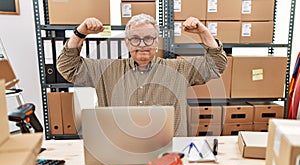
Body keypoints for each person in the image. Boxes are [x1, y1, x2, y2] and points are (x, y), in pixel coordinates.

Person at [57, 13, 227, 137]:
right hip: (120, 152)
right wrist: (80, 33)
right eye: (135, 39)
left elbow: (216, 65)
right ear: (127, 43)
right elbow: (68, 67)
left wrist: (203, 32)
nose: (142, 45)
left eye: (148, 38)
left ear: (157, 41)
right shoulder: (105, 70)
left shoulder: (179, 69)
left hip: (169, 153)